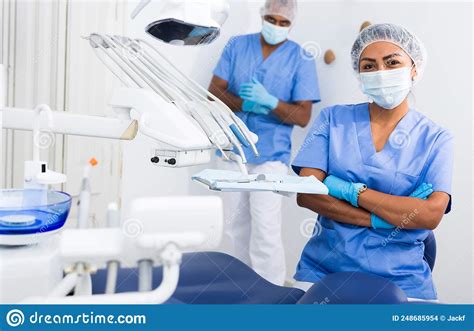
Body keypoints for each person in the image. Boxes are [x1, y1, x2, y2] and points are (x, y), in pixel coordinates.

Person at [292, 23, 453, 301]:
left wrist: (350, 191)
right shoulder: (332, 120)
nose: (381, 73)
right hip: (324, 273)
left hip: (404, 280)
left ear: (414, 68)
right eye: (369, 66)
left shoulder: (436, 138)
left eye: (392, 63)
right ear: (359, 73)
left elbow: (429, 215)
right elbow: (308, 193)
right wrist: (385, 218)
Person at [208, 0, 321, 285]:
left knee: (266, 228)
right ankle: (238, 287)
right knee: (234, 227)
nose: (277, 26)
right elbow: (213, 91)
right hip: (233, 150)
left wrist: (270, 103)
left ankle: (270, 294)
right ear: (262, 15)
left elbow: (303, 115)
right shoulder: (237, 46)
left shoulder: (301, 58)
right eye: (272, 19)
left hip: (272, 156)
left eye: (284, 23)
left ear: (291, 24)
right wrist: (243, 102)